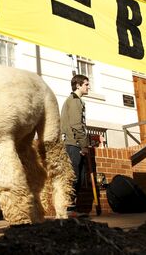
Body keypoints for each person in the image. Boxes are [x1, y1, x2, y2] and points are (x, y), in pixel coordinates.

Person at [60, 74, 91, 212]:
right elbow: (76, 125)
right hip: (73, 144)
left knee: (78, 177)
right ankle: (68, 210)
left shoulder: (77, 101)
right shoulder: (74, 101)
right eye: (86, 84)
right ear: (78, 85)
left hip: (75, 143)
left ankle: (71, 210)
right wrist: (84, 145)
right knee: (73, 177)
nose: (88, 86)